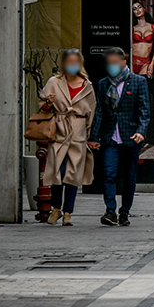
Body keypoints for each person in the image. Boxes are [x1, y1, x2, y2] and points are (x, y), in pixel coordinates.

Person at [89, 48, 151, 226]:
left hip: (130, 136)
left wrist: (141, 131)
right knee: (109, 173)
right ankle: (110, 211)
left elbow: (144, 110)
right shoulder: (103, 84)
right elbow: (99, 111)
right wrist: (94, 137)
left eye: (115, 62)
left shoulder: (138, 82)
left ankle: (125, 211)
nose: (112, 66)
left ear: (124, 62)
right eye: (109, 63)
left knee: (129, 176)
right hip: (110, 137)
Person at [40, 49, 97, 227]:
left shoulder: (87, 86)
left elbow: (92, 112)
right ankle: (56, 207)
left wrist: (89, 135)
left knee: (73, 173)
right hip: (58, 129)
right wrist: (48, 102)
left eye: (75, 62)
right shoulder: (54, 82)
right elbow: (42, 106)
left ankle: (68, 212)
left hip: (78, 132)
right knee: (58, 171)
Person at [130, 1, 154, 77]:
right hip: (133, 61)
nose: (138, 10)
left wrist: (152, 63)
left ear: (144, 9)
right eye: (134, 9)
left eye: (139, 7)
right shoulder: (132, 29)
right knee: (132, 86)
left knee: (143, 84)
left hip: (145, 62)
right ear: (133, 12)